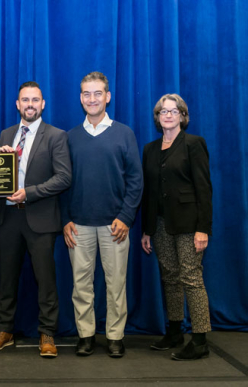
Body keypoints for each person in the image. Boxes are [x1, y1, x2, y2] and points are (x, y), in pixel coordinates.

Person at [0, 81, 71, 358]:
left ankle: (47, 333)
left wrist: (29, 193)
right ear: (17, 104)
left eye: (35, 100)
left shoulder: (56, 136)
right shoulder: (6, 134)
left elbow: (64, 177)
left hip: (41, 219)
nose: (30, 104)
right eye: (25, 100)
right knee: (6, 278)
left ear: (42, 104)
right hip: (8, 216)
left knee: (45, 280)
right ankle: (4, 329)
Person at [62, 71, 143, 358]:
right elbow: (62, 181)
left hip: (115, 225)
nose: (92, 98)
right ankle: (85, 335)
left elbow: (136, 180)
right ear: (80, 98)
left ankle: (115, 337)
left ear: (107, 97)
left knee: (116, 284)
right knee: (81, 285)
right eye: (86, 93)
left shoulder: (124, 133)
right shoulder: (70, 137)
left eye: (98, 93)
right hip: (79, 225)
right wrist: (65, 219)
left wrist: (126, 217)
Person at [141, 94, 212, 361]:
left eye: (174, 111)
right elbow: (148, 193)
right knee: (169, 277)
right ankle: (174, 331)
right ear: (157, 117)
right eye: (163, 111)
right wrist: (147, 230)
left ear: (182, 115)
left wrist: (203, 228)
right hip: (159, 225)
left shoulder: (194, 144)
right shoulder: (149, 149)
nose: (168, 115)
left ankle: (200, 339)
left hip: (188, 224)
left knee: (191, 278)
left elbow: (204, 189)